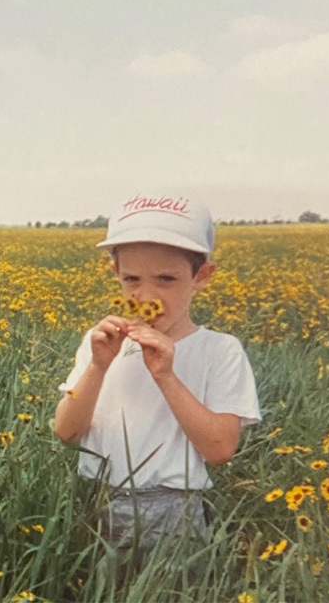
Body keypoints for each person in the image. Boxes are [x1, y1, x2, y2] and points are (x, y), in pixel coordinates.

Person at [55, 193, 261, 556]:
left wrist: (165, 374)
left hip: (172, 512)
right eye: (131, 278)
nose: (145, 295)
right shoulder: (100, 342)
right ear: (114, 273)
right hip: (96, 500)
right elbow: (66, 431)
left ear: (202, 277)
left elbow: (220, 449)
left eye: (166, 279)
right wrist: (98, 366)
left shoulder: (220, 350)